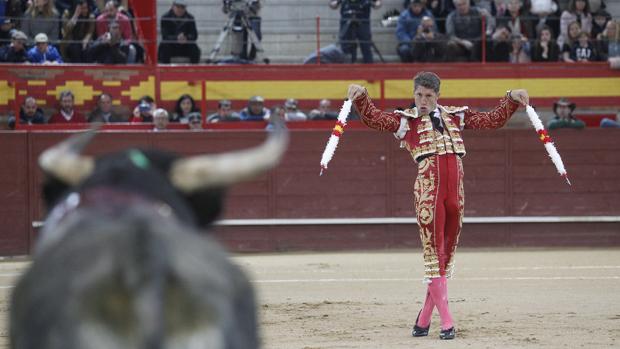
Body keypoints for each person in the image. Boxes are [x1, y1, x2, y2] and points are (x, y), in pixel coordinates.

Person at [347, 71, 529, 340]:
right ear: (413, 94)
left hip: (456, 192)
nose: (422, 101)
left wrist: (511, 99)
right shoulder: (403, 121)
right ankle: (446, 321)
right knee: (434, 256)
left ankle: (422, 321)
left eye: (428, 96)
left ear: (437, 96)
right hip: (429, 192)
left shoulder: (456, 116)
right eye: (419, 95)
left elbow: (491, 120)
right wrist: (361, 97)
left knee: (445, 258)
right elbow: (374, 118)